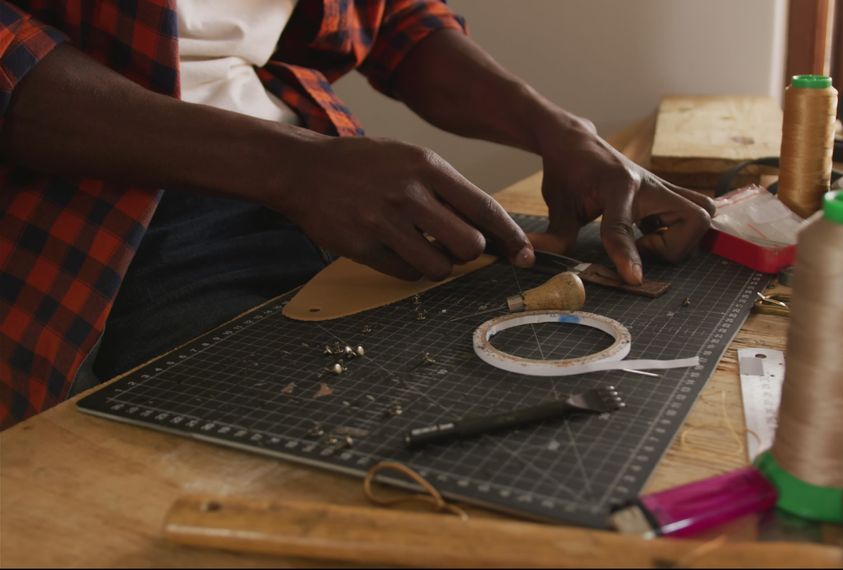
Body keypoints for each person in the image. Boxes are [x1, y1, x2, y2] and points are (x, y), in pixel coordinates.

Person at [0, 0, 715, 428]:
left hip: (310, 157)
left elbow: (394, 20)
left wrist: (560, 131)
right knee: (311, 442)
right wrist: (291, 168)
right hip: (98, 206)